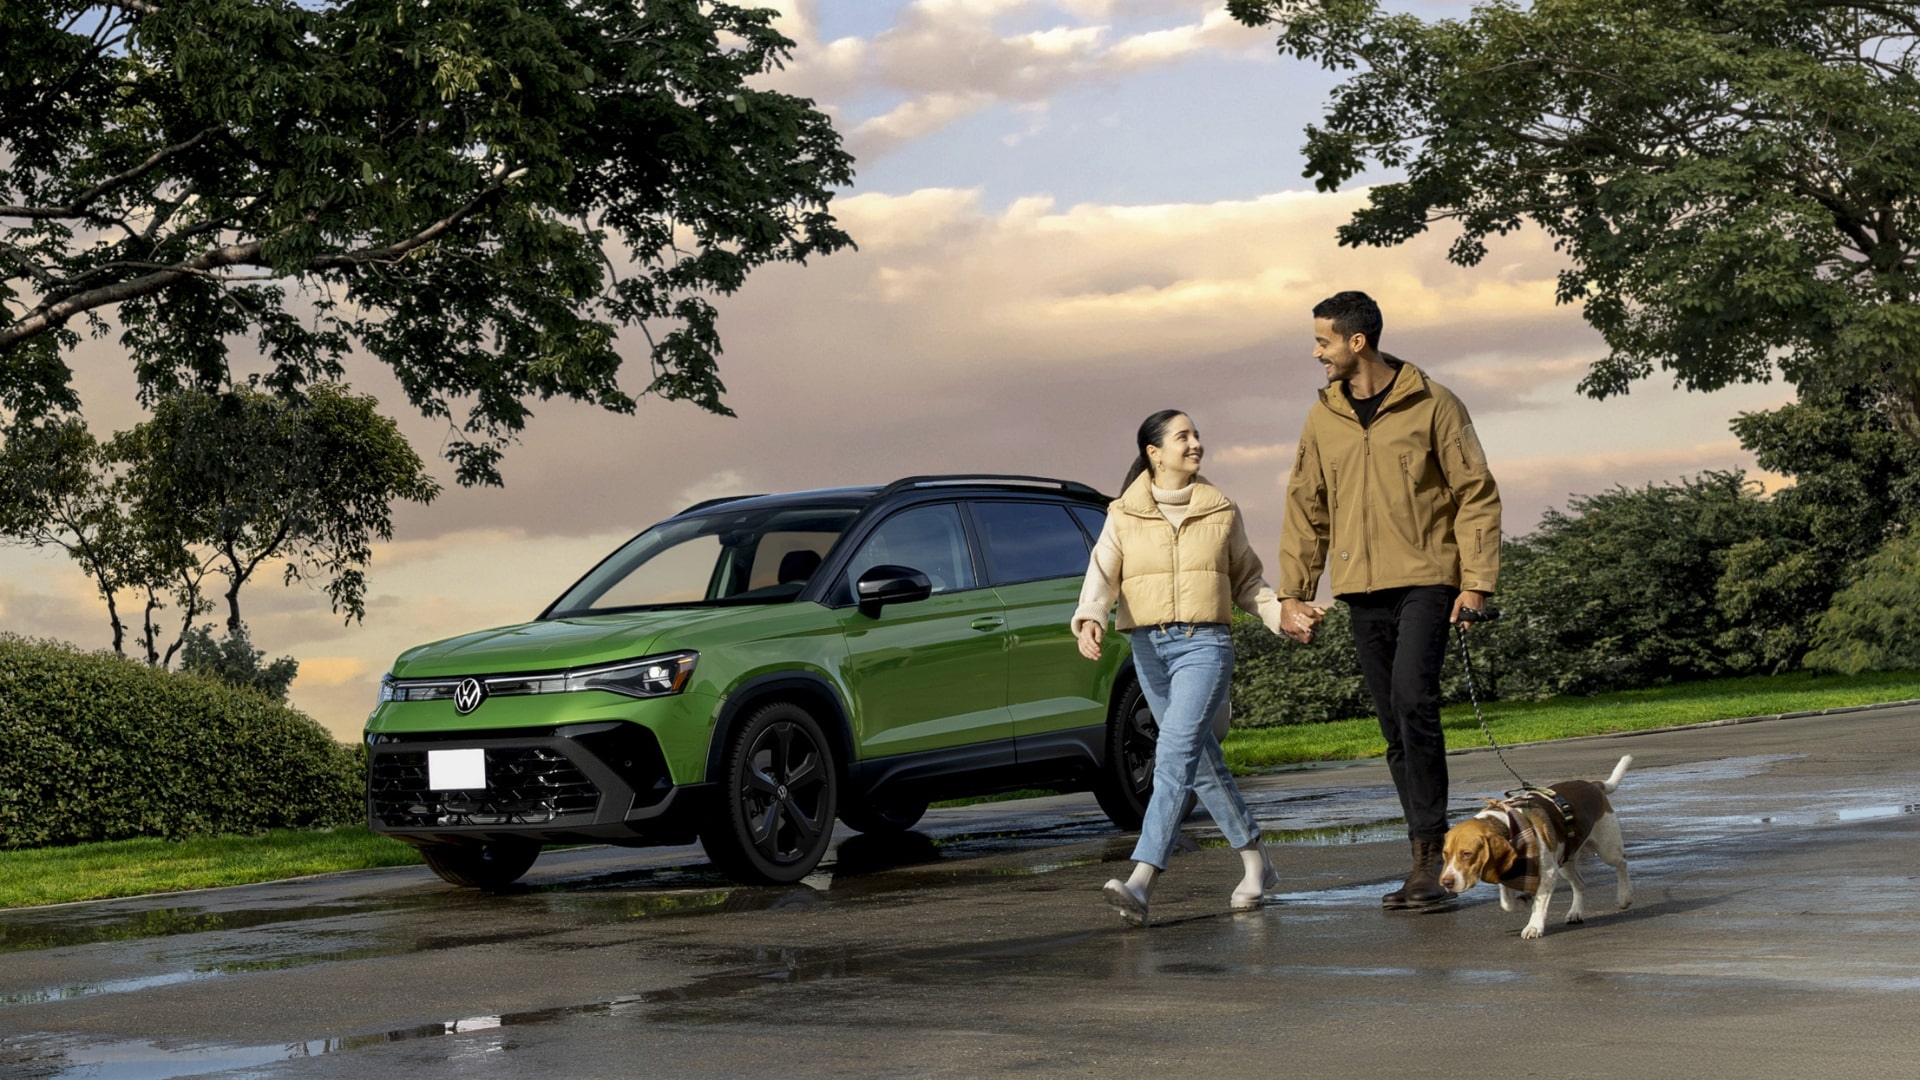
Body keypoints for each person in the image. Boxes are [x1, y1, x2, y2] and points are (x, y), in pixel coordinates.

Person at [1276, 290, 1503, 911]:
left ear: (1357, 342)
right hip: (1361, 590)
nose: (1316, 353)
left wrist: (1476, 580)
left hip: (1428, 578)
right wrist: (1295, 593)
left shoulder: (1434, 403)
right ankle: (1423, 855)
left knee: (1413, 700)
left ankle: (1432, 856)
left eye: (1323, 341)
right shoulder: (1323, 417)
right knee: (1393, 726)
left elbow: (1475, 492)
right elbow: (1306, 507)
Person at [1073, 409, 1321, 927]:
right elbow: (1102, 573)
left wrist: (1280, 617)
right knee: (1200, 759)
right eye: (1183, 437)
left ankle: (1141, 880)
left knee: (1175, 751)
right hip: (1147, 647)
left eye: (1196, 435)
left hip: (1204, 644)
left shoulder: (1219, 509)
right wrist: (1091, 617)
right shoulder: (1123, 513)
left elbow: (1248, 580)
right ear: (1154, 453)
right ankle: (1257, 862)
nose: (1196, 443)